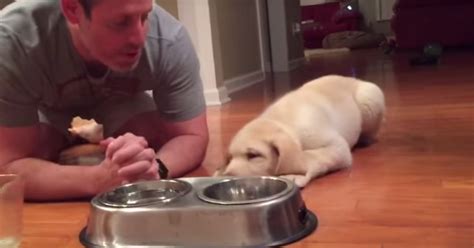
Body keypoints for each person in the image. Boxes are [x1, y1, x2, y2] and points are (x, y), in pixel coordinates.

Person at [0, 0, 209, 201]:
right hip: (47, 108)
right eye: (121, 22)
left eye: (145, 17)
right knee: (38, 147)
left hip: (121, 105)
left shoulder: (169, 39)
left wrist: (154, 168)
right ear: (73, 10)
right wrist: (97, 180)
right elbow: (7, 167)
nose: (139, 38)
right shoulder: (13, 40)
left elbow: (192, 135)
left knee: (149, 136)